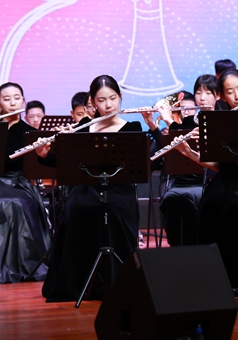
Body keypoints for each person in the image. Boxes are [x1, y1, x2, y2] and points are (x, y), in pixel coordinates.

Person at [39, 75, 143, 302]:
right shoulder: (83, 128)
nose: (108, 105)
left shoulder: (132, 128)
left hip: (118, 190)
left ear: (120, 97)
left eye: (113, 98)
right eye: (102, 100)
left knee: (114, 211)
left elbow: (138, 166)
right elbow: (67, 165)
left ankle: (119, 282)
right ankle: (76, 284)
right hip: (87, 189)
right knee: (76, 210)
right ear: (93, 102)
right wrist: (48, 153)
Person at [173, 69, 238, 288]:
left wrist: (220, 140)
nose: (236, 96)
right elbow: (219, 165)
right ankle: (211, 279)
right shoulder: (222, 120)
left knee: (234, 212)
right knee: (207, 209)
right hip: (224, 183)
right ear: (223, 96)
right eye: (230, 92)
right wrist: (189, 153)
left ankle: (236, 280)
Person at [0, 82, 52, 283]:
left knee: (13, 203)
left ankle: (18, 263)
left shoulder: (28, 131)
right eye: (7, 99)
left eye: (17, 98)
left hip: (17, 182)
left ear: (23, 101)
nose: (13, 103)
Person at [158, 77, 217, 246]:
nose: (202, 98)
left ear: (217, 96)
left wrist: (169, 120)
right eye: (198, 93)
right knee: (173, 198)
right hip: (188, 179)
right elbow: (180, 139)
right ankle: (181, 248)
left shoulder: (222, 119)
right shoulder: (191, 121)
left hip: (214, 180)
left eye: (208, 93)